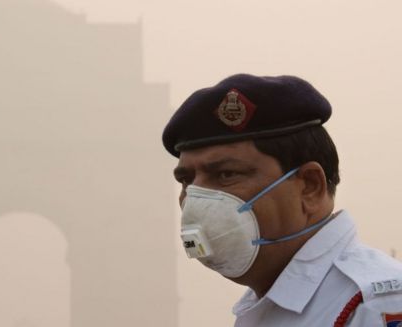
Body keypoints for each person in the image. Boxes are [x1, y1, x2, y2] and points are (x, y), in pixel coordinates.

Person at [162, 74, 402, 326]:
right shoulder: (263, 307)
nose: (195, 199)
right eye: (186, 180)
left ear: (310, 186)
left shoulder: (376, 306)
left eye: (226, 174)